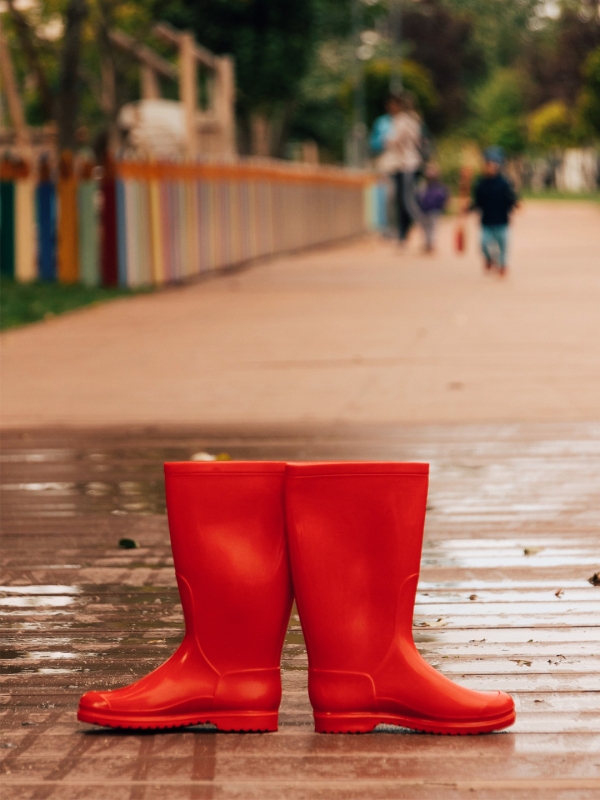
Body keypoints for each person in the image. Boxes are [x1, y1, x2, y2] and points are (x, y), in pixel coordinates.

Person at [380, 92, 424, 244]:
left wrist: (388, 141)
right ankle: (403, 234)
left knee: (407, 200)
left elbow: (393, 141)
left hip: (406, 165)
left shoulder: (402, 121)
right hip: (411, 164)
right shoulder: (414, 120)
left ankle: (424, 226)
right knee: (405, 200)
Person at [470, 147, 518, 276]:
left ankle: (502, 265)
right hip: (486, 222)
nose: (490, 167)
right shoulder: (480, 184)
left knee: (503, 246)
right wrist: (468, 208)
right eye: (488, 164)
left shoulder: (505, 183)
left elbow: (511, 199)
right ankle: (489, 258)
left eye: (493, 164)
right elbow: (477, 202)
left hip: (502, 221)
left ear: (498, 166)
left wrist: (515, 204)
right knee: (483, 244)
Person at [417, 164, 448, 252]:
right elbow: (419, 198)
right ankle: (428, 243)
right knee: (427, 228)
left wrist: (441, 206)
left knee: (432, 228)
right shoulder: (423, 187)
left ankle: (431, 244)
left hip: (435, 211)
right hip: (425, 211)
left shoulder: (439, 187)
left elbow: (444, 198)